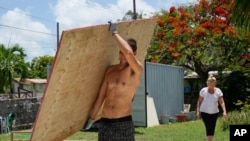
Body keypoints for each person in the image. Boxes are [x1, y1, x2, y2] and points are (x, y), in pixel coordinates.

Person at [86, 21, 143, 141]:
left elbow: (128, 53)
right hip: (105, 122)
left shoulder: (135, 70)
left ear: (135, 54)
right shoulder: (110, 70)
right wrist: (91, 118)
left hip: (123, 122)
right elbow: (101, 97)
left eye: (124, 53)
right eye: (120, 53)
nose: (122, 55)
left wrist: (115, 33)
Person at [196, 75, 227, 141]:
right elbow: (199, 101)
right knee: (209, 127)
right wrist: (198, 111)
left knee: (212, 128)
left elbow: (221, 102)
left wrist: (224, 112)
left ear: (215, 83)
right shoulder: (203, 90)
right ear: (207, 83)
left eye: (213, 84)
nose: (212, 85)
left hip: (215, 113)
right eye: (210, 84)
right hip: (204, 112)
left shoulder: (218, 91)